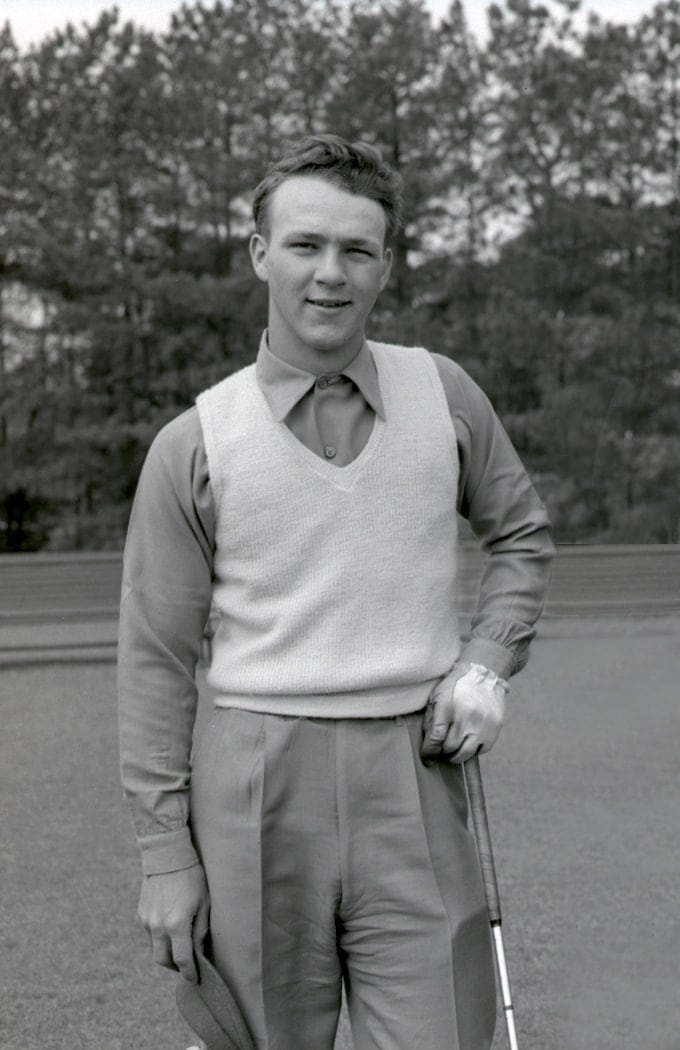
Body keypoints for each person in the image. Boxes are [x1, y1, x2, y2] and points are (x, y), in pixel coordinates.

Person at [118, 133, 553, 1050]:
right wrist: (166, 856)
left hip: (418, 770)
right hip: (252, 781)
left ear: (386, 266)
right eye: (306, 244)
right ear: (259, 253)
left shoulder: (449, 396)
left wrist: (488, 662)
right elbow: (156, 665)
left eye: (357, 250)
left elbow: (521, 536)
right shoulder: (192, 443)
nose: (330, 273)